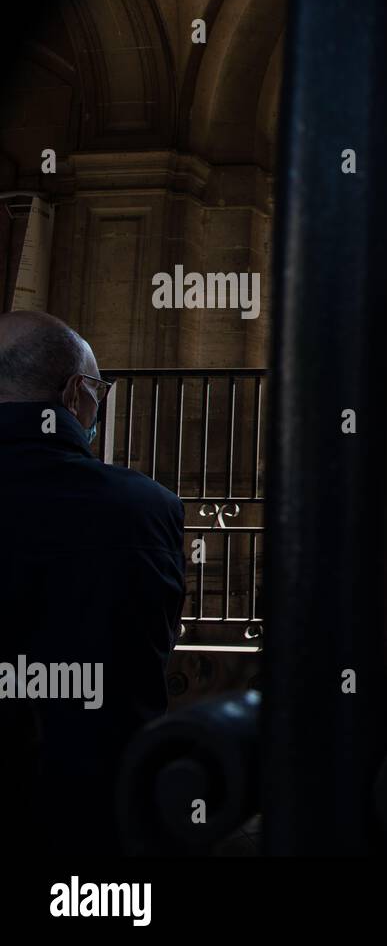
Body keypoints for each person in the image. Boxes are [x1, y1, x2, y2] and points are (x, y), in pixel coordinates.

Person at [0, 311, 185, 855]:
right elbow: (155, 645)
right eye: (99, 390)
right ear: (78, 393)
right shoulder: (146, 507)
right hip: (94, 805)